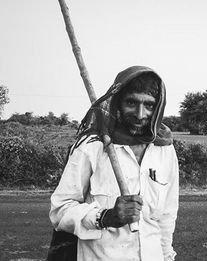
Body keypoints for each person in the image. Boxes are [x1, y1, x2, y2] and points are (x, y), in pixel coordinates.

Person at [49, 66, 179, 261]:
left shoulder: (164, 150)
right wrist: (106, 217)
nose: (140, 114)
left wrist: (167, 256)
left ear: (158, 106)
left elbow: (166, 217)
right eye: (131, 102)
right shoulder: (93, 146)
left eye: (149, 105)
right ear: (117, 103)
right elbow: (60, 210)